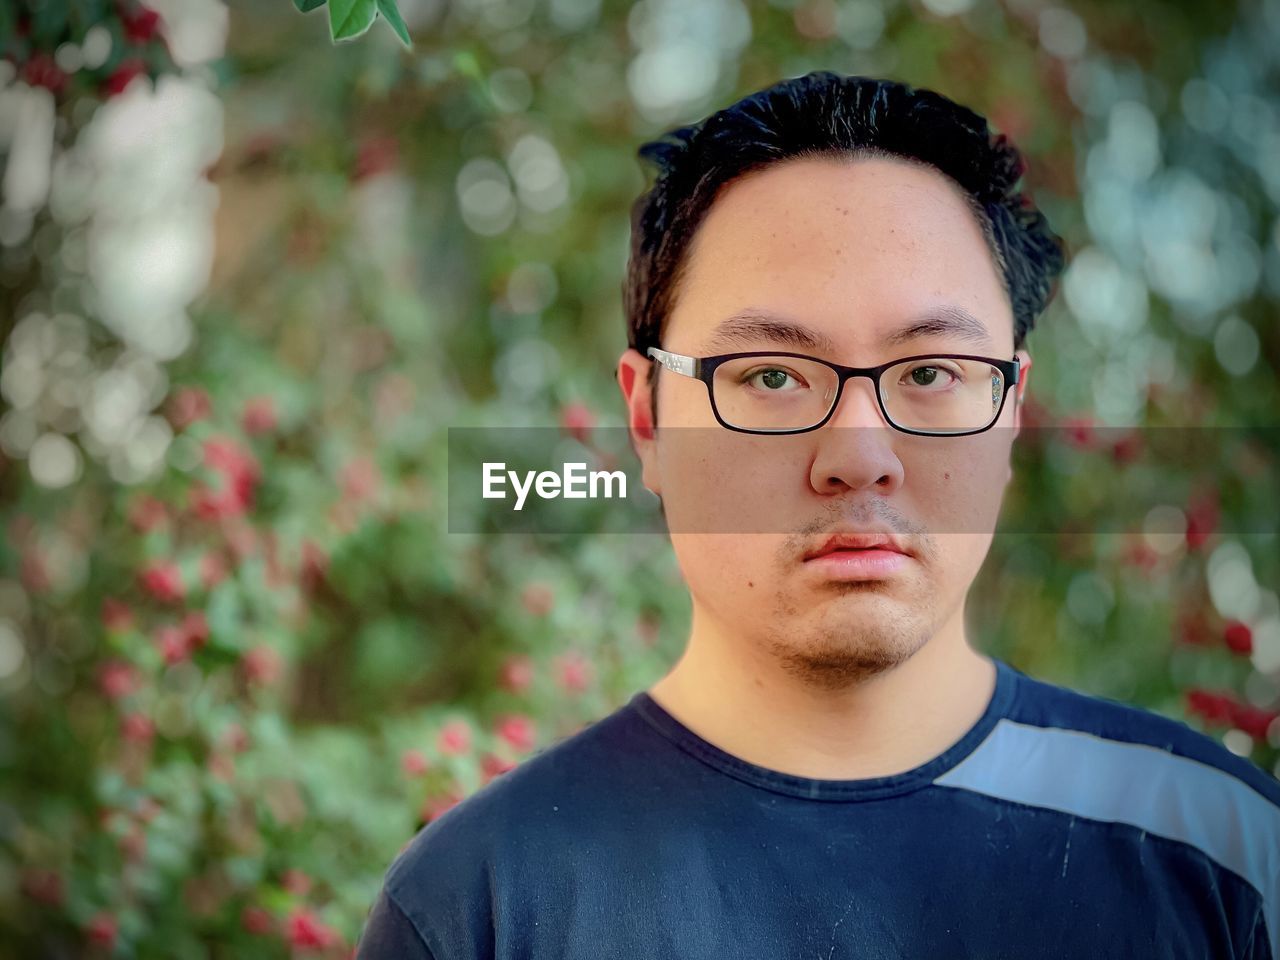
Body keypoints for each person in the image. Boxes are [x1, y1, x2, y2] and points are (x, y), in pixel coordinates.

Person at [356, 72, 1279, 959]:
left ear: (1010, 412)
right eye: (768, 376)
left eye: (929, 374)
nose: (858, 457)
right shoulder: (483, 903)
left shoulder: (1225, 857)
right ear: (647, 418)